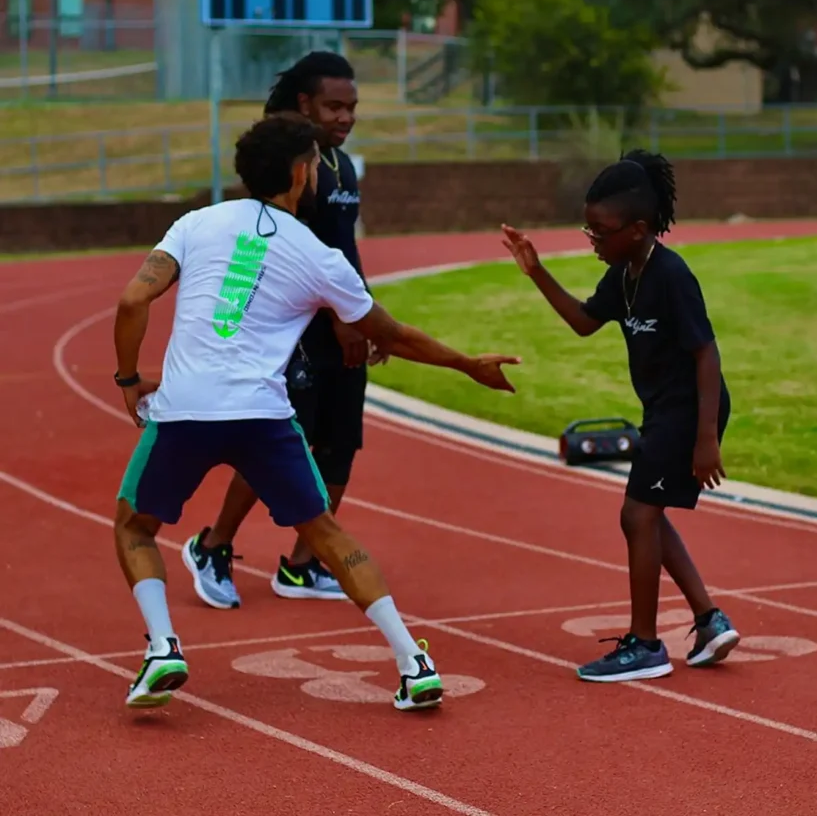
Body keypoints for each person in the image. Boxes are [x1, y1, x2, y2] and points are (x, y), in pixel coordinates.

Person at [113, 112, 519, 710]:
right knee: (324, 533)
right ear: (301, 173)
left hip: (185, 411)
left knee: (133, 526)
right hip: (262, 416)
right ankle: (413, 662)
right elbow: (393, 333)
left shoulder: (194, 224)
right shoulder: (322, 256)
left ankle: (164, 648)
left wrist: (127, 378)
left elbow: (132, 299)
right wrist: (467, 365)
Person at [500, 149, 739, 682]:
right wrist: (536, 272)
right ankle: (708, 618)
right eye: (588, 232)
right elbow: (585, 322)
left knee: (636, 515)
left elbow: (706, 353)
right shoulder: (624, 273)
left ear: (637, 228)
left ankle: (646, 644)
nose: (593, 243)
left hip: (688, 409)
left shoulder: (670, 274)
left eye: (600, 233)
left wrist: (706, 439)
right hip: (663, 410)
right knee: (649, 513)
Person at [181, 51, 373, 609]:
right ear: (304, 104)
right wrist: (340, 321)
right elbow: (269, 254)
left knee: (340, 448)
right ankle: (214, 544)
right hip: (296, 337)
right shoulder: (282, 174)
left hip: (342, 332)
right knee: (276, 447)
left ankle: (303, 565)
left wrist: (364, 316)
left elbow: (345, 253)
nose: (346, 117)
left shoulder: (343, 168)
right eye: (335, 106)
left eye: (353, 107)